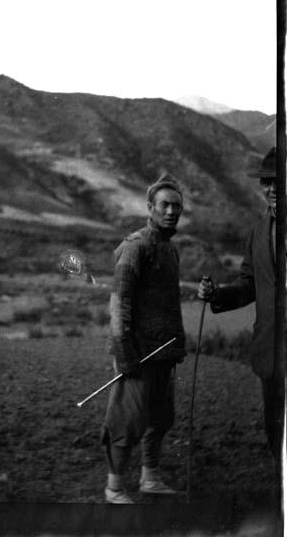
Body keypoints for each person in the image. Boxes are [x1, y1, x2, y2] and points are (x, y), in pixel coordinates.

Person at [198, 146, 283, 477]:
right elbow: (249, 284)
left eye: (280, 180)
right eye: (266, 181)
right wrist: (217, 293)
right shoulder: (259, 231)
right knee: (276, 433)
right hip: (271, 352)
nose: (272, 188)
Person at [102, 173, 186, 503]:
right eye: (164, 205)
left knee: (161, 418)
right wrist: (124, 352)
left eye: (176, 206)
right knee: (126, 421)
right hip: (137, 354)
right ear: (150, 208)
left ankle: (150, 478)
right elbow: (119, 302)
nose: (171, 211)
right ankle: (114, 488)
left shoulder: (171, 249)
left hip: (163, 352)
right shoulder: (135, 248)